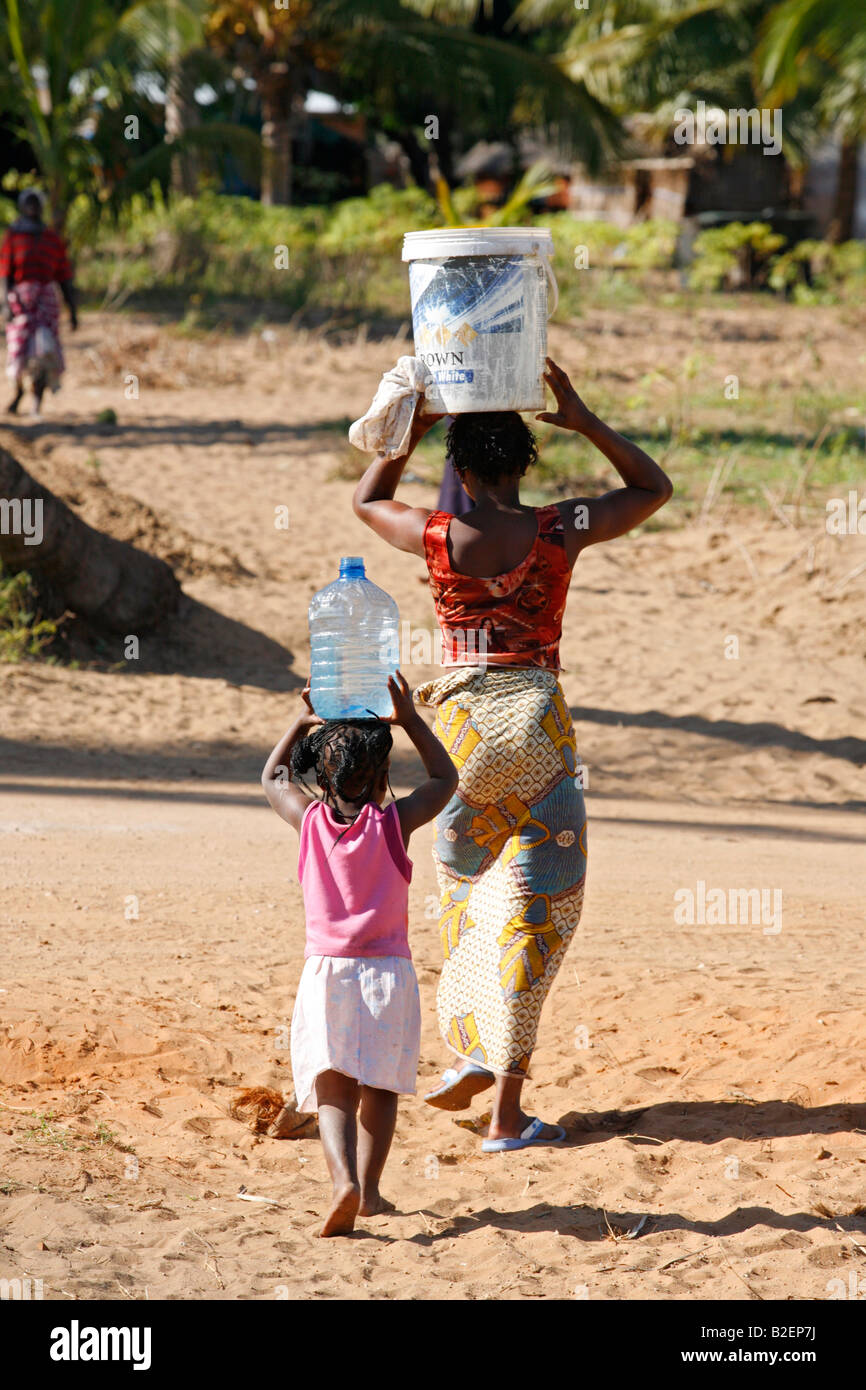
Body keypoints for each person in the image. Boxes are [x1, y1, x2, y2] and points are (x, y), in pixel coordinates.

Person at [353, 358, 673, 1153]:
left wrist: (409, 431)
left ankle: (469, 1048)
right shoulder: (561, 529)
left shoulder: (437, 535)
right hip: (538, 732)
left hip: (460, 738)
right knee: (539, 917)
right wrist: (587, 420)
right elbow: (652, 488)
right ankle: (504, 1113)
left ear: (458, 470)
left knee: (465, 902)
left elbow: (364, 500)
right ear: (526, 462)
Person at [261, 672, 457, 1235]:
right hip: (389, 974)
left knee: (333, 1086)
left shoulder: (310, 823)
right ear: (385, 776)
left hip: (328, 974)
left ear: (320, 776)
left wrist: (302, 719)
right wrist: (410, 719)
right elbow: (446, 777)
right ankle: (369, 1192)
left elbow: (273, 775)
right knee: (380, 1085)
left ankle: (341, 1181)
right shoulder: (395, 825)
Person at [1, 190, 77, 416]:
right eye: (29, 203)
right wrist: (5, 304)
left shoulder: (51, 239)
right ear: (22, 206)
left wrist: (72, 310)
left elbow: (64, 277)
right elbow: (5, 274)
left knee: (45, 351)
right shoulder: (13, 237)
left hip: (46, 303)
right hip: (20, 302)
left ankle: (37, 401)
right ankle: (18, 392)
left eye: (36, 203)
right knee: (18, 350)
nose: (33, 208)